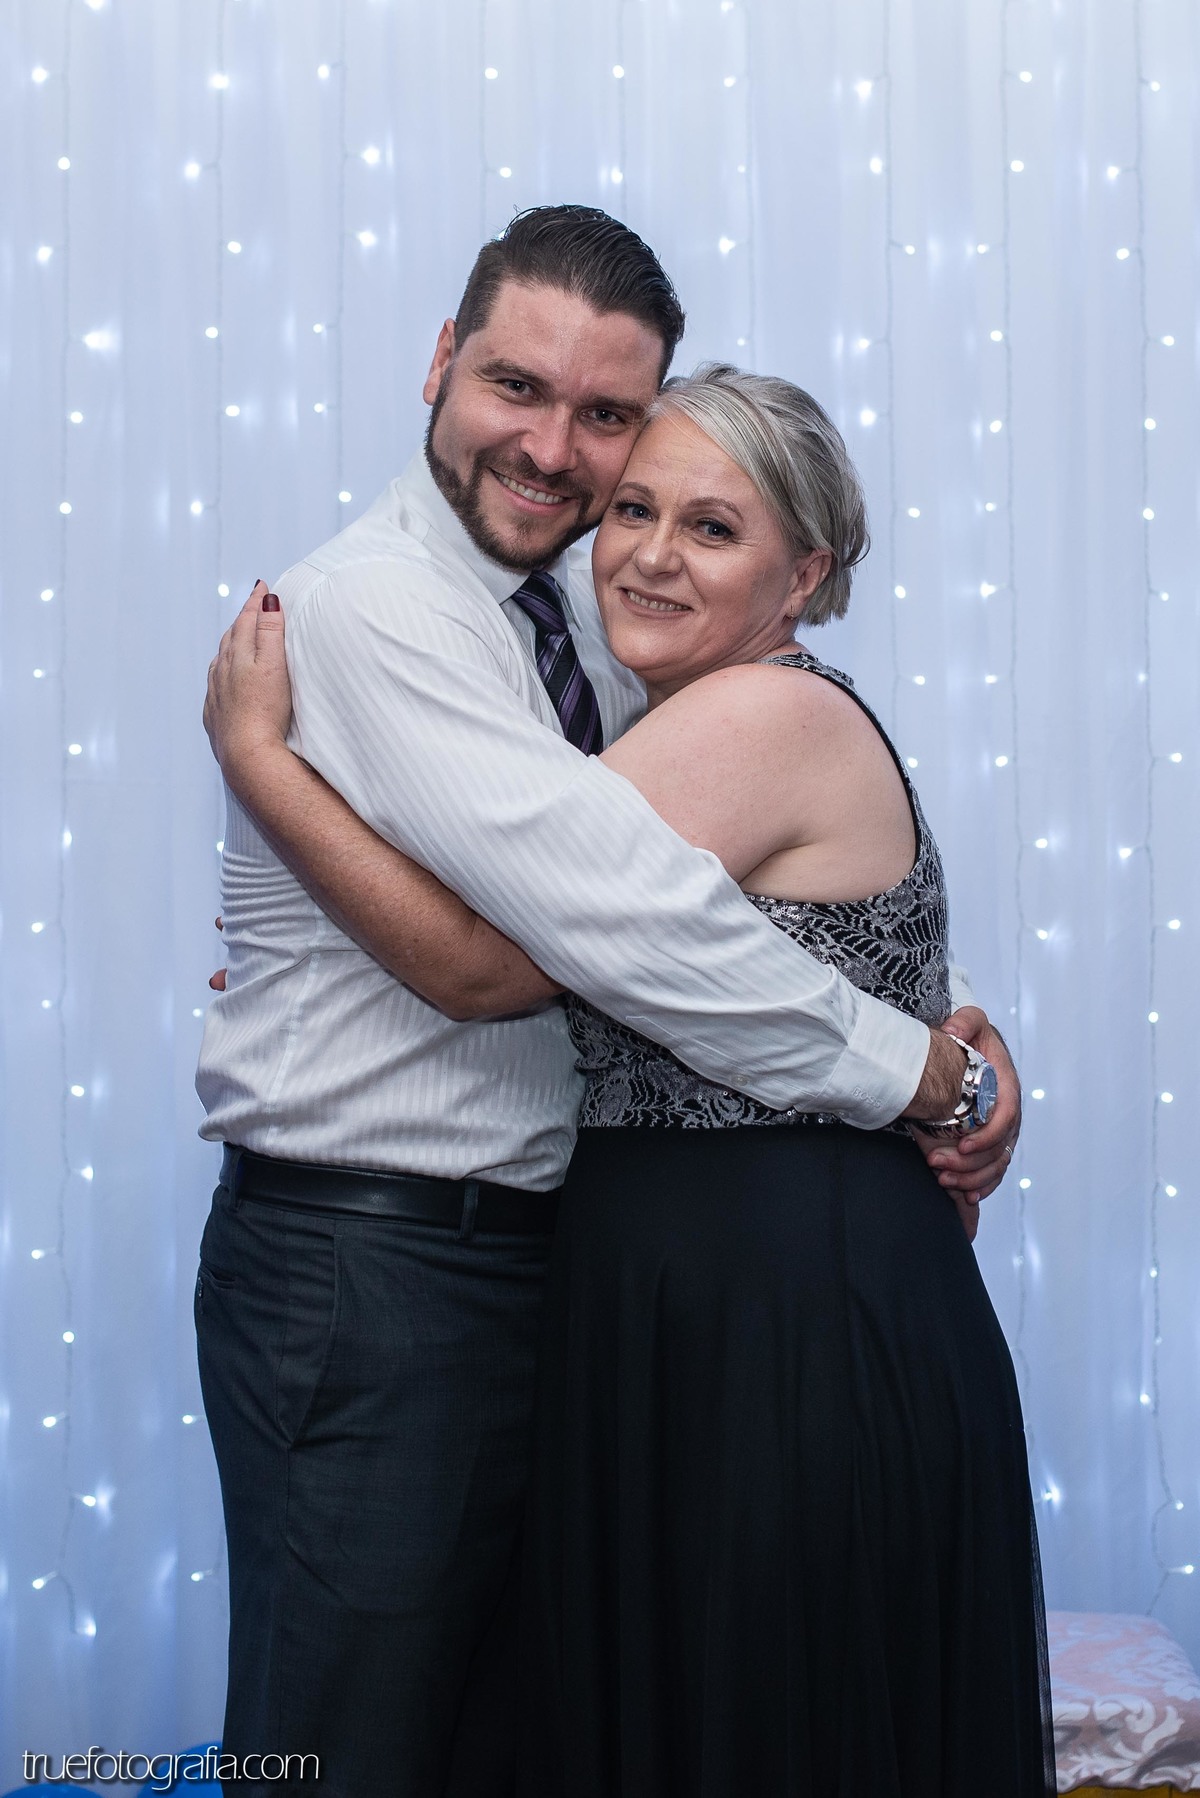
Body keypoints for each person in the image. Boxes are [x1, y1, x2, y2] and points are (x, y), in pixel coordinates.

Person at [197, 207, 1021, 1798]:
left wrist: (951, 1026)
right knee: (344, 1748)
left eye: (606, 420)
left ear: (804, 568)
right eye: (515, 386)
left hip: (571, 1269)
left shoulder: (590, 612)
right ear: (440, 362)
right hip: (373, 1263)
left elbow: (707, 886)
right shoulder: (375, 609)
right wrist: (921, 1069)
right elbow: (535, 945)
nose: (556, 452)